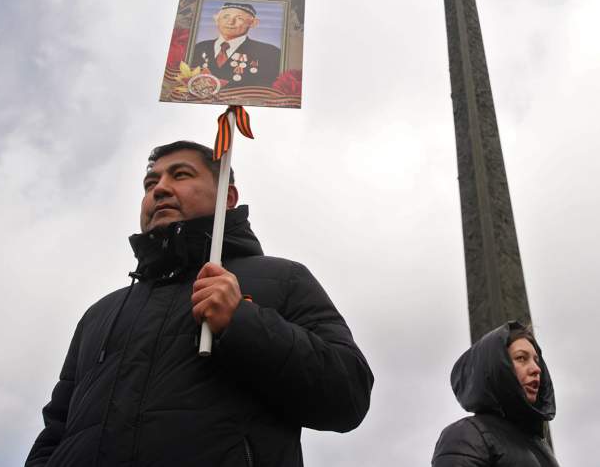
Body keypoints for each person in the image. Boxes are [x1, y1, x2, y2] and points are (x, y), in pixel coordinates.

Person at [26, 141, 373, 467]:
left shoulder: (284, 279)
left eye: (180, 175)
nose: (159, 189)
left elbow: (348, 394)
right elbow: (56, 430)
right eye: (150, 183)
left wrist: (242, 323)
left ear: (228, 197)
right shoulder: (100, 314)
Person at [432, 322, 559, 467]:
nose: (537, 369)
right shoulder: (467, 436)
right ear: (496, 367)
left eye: (537, 361)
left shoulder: (542, 447)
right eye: (521, 358)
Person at [191, 2, 281, 89]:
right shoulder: (199, 48)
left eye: (239, 18)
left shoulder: (270, 53)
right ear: (216, 19)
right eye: (226, 16)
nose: (230, 22)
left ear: (253, 23)